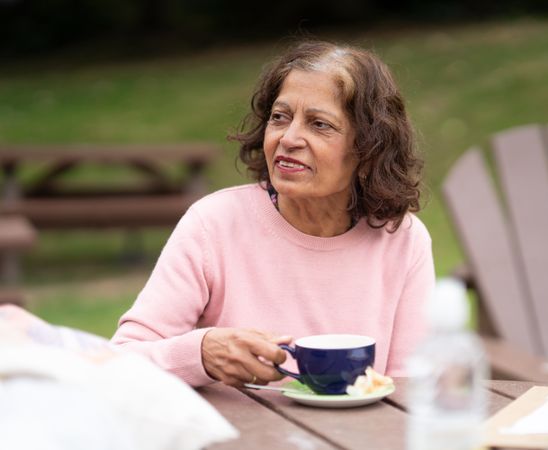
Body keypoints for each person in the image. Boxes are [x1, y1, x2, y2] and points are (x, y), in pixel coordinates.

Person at [111, 40, 435, 388]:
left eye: (319, 124)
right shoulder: (213, 224)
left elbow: (410, 390)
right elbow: (118, 362)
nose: (289, 138)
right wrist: (200, 353)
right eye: (280, 117)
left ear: (369, 151)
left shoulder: (403, 240)